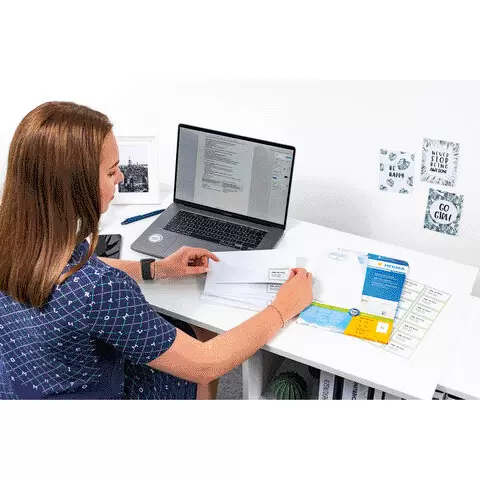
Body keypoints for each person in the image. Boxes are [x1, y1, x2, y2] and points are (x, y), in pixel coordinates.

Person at [0, 101, 313, 400]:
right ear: (75, 187)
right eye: (110, 172)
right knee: (203, 338)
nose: (121, 177)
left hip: (27, 385)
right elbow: (205, 364)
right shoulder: (101, 289)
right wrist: (282, 308)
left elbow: (78, 266)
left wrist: (156, 269)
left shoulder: (19, 237)